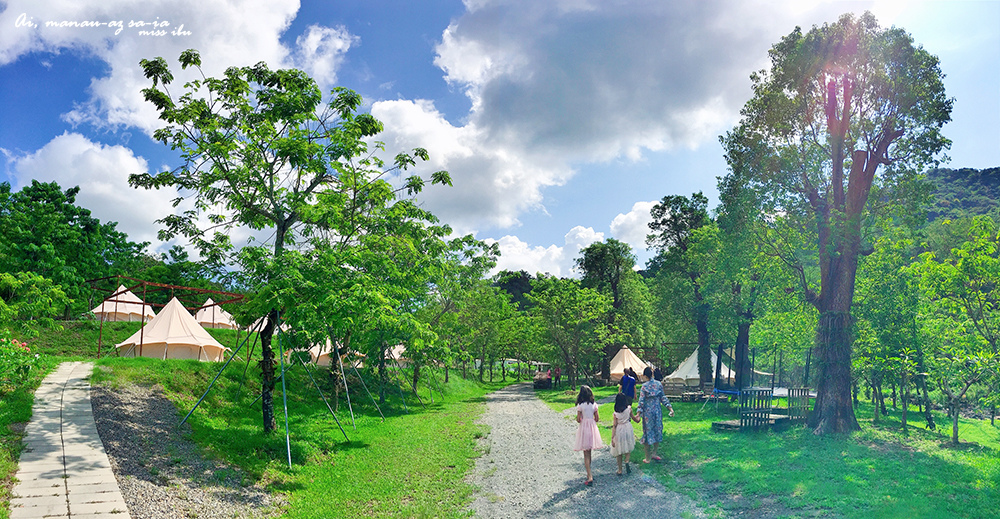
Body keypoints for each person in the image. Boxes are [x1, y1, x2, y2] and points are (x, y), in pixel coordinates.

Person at [637, 366, 673, 464]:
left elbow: (641, 401)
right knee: (657, 430)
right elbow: (663, 398)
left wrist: (638, 413)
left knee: (648, 432)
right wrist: (670, 408)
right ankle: (654, 453)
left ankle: (647, 458)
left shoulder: (644, 386)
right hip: (657, 411)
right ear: (652, 374)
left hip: (648, 412)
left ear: (645, 375)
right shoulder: (658, 384)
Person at [573, 385, 604, 486]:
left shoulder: (580, 406)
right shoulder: (594, 405)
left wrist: (582, 419)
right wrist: (591, 421)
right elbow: (597, 418)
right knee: (589, 451)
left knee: (585, 453)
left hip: (584, 428)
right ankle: (588, 472)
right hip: (592, 428)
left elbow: (578, 419)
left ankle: (589, 475)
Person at [610, 392, 640, 475]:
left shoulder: (615, 413)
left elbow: (614, 425)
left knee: (618, 449)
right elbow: (634, 418)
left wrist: (612, 438)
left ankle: (620, 470)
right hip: (627, 427)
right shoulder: (629, 409)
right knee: (628, 445)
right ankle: (627, 460)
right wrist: (638, 417)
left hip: (619, 429)